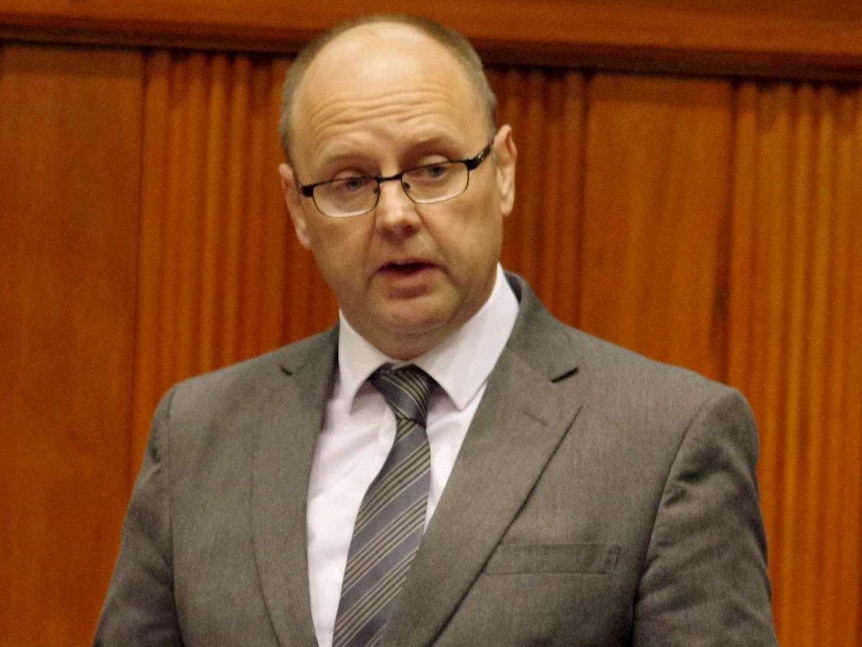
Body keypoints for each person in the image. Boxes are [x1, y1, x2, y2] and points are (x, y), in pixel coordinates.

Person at [95, 13, 778, 647]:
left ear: (503, 170)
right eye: (350, 181)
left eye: (433, 169)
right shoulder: (200, 433)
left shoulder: (667, 437)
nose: (395, 214)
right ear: (297, 208)